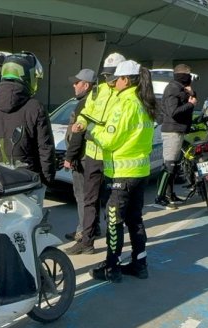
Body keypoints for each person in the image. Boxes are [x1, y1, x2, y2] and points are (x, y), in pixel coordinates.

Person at [86, 59, 158, 282]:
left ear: (126, 80)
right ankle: (140, 263)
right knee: (135, 219)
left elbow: (109, 139)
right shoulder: (144, 102)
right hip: (140, 172)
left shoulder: (125, 104)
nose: (113, 84)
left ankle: (111, 266)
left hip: (120, 173)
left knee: (114, 221)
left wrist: (91, 132)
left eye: (116, 80)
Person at [64, 52, 126, 255]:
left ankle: (113, 254)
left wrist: (87, 136)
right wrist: (81, 124)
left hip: (117, 159)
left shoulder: (128, 99)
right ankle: (87, 240)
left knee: (113, 206)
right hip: (94, 156)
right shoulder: (97, 94)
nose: (109, 80)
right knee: (90, 200)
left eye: (113, 76)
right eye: (106, 76)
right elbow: (86, 116)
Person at [0, 52, 56, 191]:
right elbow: (45, 148)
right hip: (29, 180)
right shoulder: (35, 107)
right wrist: (47, 180)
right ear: (27, 76)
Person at [155, 63, 198, 210]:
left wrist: (192, 94)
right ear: (183, 75)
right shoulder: (173, 88)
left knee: (174, 165)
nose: (190, 78)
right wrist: (191, 105)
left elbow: (187, 101)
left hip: (179, 130)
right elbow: (174, 111)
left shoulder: (180, 88)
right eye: (189, 74)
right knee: (169, 166)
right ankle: (162, 197)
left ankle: (170, 194)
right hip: (172, 131)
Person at [62, 68, 96, 244]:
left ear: (86, 85)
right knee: (91, 196)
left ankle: (83, 232)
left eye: (77, 82)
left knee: (82, 196)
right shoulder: (93, 101)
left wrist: (70, 157)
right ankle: (93, 227)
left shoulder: (84, 104)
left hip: (82, 157)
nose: (74, 86)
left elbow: (78, 134)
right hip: (91, 157)